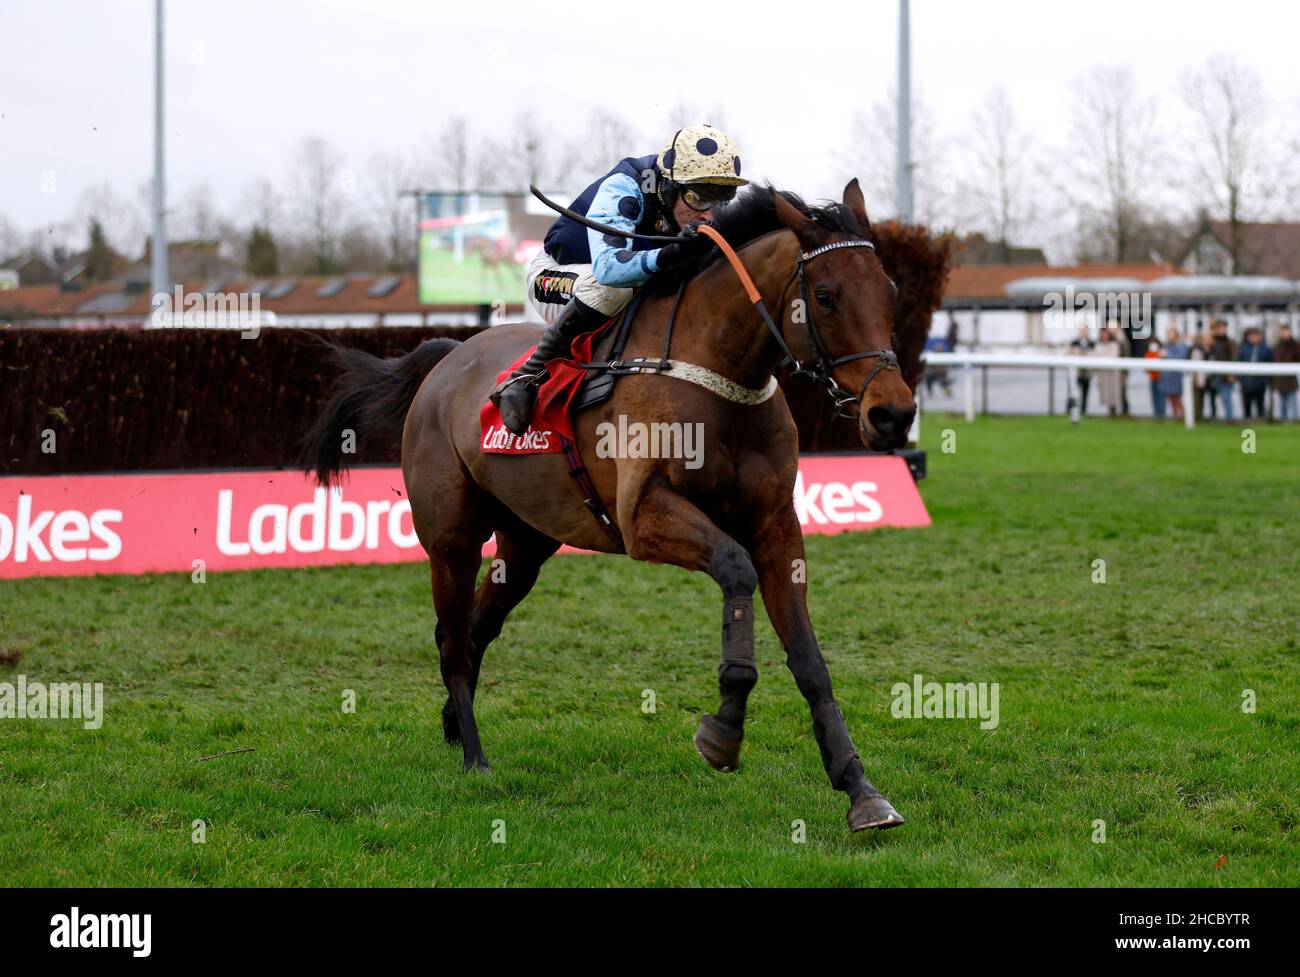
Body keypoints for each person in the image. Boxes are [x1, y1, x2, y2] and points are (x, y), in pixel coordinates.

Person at [491, 123, 748, 434]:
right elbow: (608, 269)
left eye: (720, 199)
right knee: (613, 289)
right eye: (697, 197)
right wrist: (668, 256)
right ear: (667, 186)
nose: (707, 214)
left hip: (622, 280)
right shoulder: (624, 187)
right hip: (557, 276)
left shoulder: (697, 208)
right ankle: (526, 377)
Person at [1237, 326, 1272, 419]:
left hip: (1260, 381)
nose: (1254, 338)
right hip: (1247, 381)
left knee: (1260, 404)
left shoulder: (1266, 349)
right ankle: (1247, 424)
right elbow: (1239, 363)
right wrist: (1241, 379)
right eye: (1252, 336)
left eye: (1256, 336)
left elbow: (1270, 363)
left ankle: (1261, 422)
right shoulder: (1244, 349)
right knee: (1246, 405)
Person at [1207, 320, 1238, 421]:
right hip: (1213, 375)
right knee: (1212, 399)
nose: (1220, 330)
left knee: (1226, 398)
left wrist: (1231, 374)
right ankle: (1213, 418)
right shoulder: (1211, 342)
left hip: (1225, 375)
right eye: (1218, 328)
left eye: (1221, 328)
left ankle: (1230, 419)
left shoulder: (1230, 343)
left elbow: (1234, 358)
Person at [1158, 327, 1190, 420]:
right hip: (1167, 377)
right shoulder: (1165, 346)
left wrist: (1167, 355)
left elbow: (1180, 358)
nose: (1170, 337)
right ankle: (1176, 415)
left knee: (1177, 399)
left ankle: (1183, 416)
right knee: (1171, 399)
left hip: (1176, 377)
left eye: (1172, 336)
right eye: (1169, 335)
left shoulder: (1181, 347)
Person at [1094, 326, 1123, 418]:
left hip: (1112, 373)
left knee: (1114, 393)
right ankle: (1110, 412)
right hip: (1103, 373)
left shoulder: (1114, 344)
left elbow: (1112, 356)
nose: (1104, 337)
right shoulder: (1099, 345)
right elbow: (1095, 355)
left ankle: (1115, 411)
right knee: (1106, 393)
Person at [1272, 324, 1299, 422]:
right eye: (1282, 332)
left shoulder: (1295, 345)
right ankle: (1284, 420)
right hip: (1281, 379)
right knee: (1283, 403)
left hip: (1291, 378)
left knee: (1293, 401)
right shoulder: (1278, 345)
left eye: (1285, 331)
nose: (1284, 334)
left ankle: (1295, 420)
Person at [1068, 324, 1095, 414]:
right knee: (1072, 393)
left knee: (1085, 394)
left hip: (1086, 373)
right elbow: (1067, 354)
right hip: (1076, 372)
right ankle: (1069, 411)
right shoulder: (1074, 342)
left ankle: (1083, 411)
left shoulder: (1092, 343)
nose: (1084, 332)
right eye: (1082, 330)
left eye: (1086, 330)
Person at [1144, 338, 1165, 418]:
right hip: (1152, 378)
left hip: (1161, 378)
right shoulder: (1148, 354)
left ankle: (1161, 413)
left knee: (1161, 396)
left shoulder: (1161, 353)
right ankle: (1156, 413)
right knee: (1154, 396)